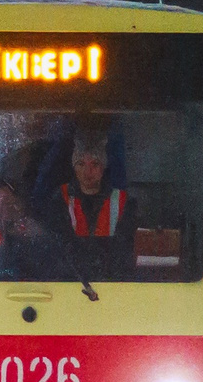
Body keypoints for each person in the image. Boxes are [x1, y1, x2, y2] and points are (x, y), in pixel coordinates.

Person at [37, 118, 134, 277]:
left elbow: (125, 252)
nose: (87, 172)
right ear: (74, 167)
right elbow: (57, 250)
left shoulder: (123, 201)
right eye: (81, 164)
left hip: (113, 284)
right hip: (70, 284)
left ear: (103, 167)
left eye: (95, 164)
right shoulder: (59, 199)